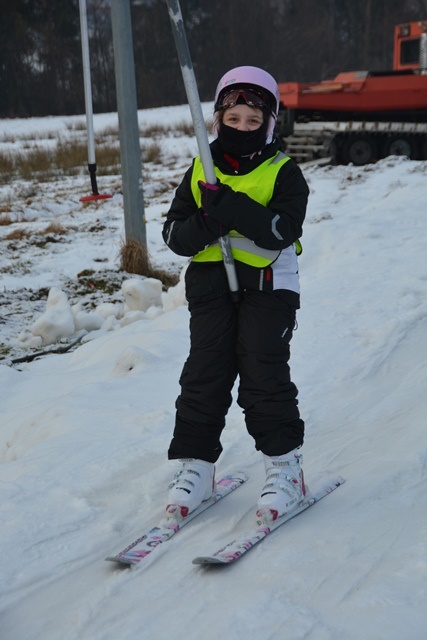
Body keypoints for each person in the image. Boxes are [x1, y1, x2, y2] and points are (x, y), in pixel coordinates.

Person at [162, 66, 309, 523]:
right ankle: (197, 467)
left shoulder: (284, 172)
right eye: (233, 119)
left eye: (253, 120)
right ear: (218, 119)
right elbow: (174, 236)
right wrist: (207, 221)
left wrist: (230, 206)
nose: (242, 128)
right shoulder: (200, 169)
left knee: (262, 372)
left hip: (268, 287)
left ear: (270, 122)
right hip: (210, 288)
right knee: (204, 375)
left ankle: (285, 469)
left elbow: (281, 231)